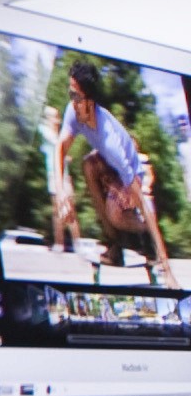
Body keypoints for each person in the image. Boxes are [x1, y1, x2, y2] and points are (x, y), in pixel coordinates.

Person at [48, 57, 172, 284]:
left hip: (130, 175)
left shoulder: (111, 141)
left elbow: (140, 197)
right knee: (88, 164)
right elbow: (60, 147)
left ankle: (147, 242)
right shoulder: (73, 111)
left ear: (90, 101)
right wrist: (61, 189)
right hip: (106, 164)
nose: (72, 103)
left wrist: (165, 264)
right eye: (70, 94)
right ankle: (114, 246)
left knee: (116, 214)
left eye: (77, 97)